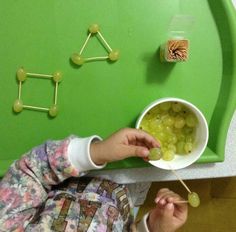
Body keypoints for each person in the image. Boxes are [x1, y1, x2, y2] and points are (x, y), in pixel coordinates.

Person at [0, 128, 188, 231]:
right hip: (129, 189)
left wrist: (96, 152)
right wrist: (154, 228)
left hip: (72, 166)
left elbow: (30, 171)